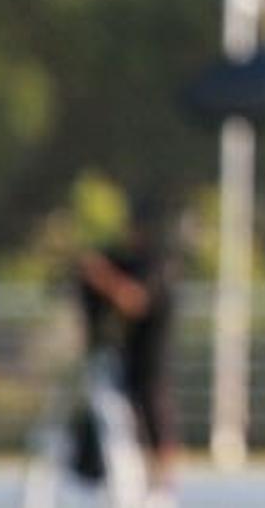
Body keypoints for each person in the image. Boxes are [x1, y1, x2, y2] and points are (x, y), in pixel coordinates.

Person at [78, 195, 179, 505]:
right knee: (117, 425)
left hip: (150, 361)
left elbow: (134, 301)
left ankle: (164, 490)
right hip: (123, 361)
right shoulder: (129, 260)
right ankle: (131, 486)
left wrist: (101, 275)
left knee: (156, 422)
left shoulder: (158, 266)